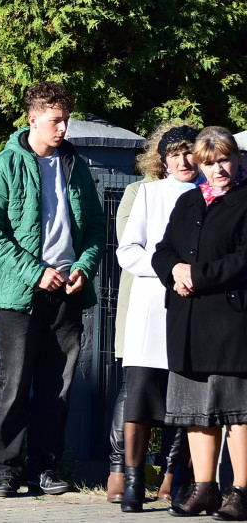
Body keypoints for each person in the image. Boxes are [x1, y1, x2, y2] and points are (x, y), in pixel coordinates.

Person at [0, 82, 106, 497]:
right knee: (14, 385)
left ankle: (44, 469)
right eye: (55, 120)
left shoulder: (75, 166)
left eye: (66, 119)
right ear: (32, 119)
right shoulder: (4, 165)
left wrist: (84, 266)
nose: (63, 127)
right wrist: (34, 272)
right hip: (19, 294)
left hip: (67, 291)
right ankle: (6, 471)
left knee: (57, 387)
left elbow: (96, 228)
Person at [153, 126, 247, 520]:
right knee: (194, 412)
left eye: (224, 159)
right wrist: (174, 269)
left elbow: (243, 257)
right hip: (188, 321)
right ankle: (205, 490)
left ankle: (242, 492)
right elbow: (163, 250)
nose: (218, 169)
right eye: (209, 162)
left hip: (230, 321)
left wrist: (198, 275)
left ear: (236, 159)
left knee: (238, 414)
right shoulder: (188, 201)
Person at [115, 125, 202, 512]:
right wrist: (171, 271)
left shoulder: (214, 195)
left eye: (190, 153)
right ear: (162, 160)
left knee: (189, 401)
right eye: (175, 155)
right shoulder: (149, 194)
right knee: (141, 399)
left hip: (197, 309)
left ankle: (180, 482)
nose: (183, 162)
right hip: (152, 308)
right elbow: (127, 251)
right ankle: (133, 483)